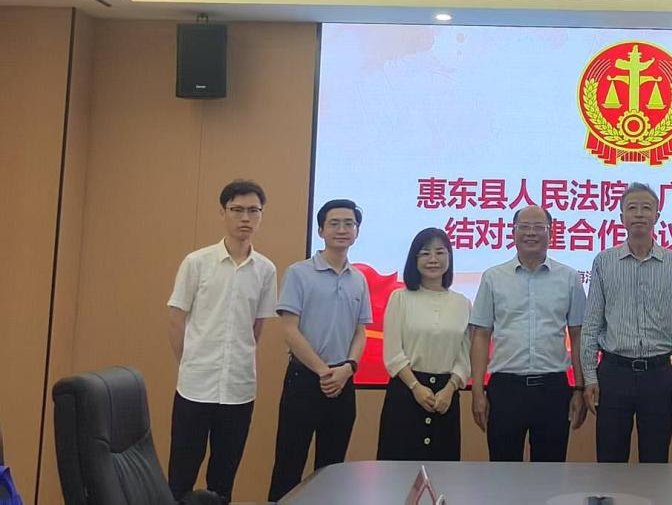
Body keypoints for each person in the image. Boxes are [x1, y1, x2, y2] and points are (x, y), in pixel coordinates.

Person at [166, 180, 278, 503]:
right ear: (223, 212)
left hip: (239, 389)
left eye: (253, 211)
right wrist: (191, 361)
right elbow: (176, 318)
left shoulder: (266, 270)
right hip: (195, 386)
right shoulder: (197, 262)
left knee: (223, 480)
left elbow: (257, 327)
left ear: (261, 215)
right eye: (237, 209)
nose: (245, 218)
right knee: (180, 477)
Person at [581, 182, 672, 463]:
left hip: (658, 375)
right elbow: (592, 324)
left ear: (657, 216)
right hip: (613, 374)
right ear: (622, 217)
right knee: (610, 461)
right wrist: (590, 377)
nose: (639, 214)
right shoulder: (604, 262)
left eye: (646, 208)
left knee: (655, 461)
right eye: (632, 208)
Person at [267, 199, 371, 502]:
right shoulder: (299, 273)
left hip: (343, 380)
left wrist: (348, 367)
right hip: (305, 379)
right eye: (334, 223)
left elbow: (360, 331)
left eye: (349, 224)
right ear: (321, 230)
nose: (342, 229)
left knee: (332, 467)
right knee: (289, 462)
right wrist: (323, 371)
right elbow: (289, 329)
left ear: (357, 232)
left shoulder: (358, 279)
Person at [470, 205, 588, 461]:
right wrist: (477, 390)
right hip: (505, 389)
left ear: (551, 233)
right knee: (503, 470)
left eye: (538, 227)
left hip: (553, 389)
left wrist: (579, 388)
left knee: (550, 472)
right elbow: (481, 335)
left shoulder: (569, 278)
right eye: (524, 227)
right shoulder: (493, 278)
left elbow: (578, 335)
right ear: (513, 233)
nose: (531, 233)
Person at [377, 227, 471, 462]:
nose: (433, 259)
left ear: (449, 257)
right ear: (414, 259)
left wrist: (450, 389)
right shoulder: (400, 298)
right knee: (397, 470)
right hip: (406, 393)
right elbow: (393, 353)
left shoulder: (462, 303)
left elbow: (464, 356)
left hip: (445, 398)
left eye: (440, 252)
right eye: (425, 253)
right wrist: (415, 387)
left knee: (443, 470)